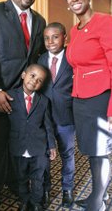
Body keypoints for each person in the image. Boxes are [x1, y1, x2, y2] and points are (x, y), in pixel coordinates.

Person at [0, 0, 46, 210]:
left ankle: (16, 184)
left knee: (20, 144)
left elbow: (37, 58)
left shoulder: (40, 20)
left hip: (24, 97)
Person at [63, 0, 112, 211]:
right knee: (92, 150)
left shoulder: (104, 23)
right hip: (81, 99)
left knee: (100, 152)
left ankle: (97, 202)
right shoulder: (75, 29)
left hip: (100, 98)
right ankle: (99, 193)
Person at [0, 64, 56, 211]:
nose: (35, 81)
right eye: (32, 75)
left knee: (38, 178)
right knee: (21, 177)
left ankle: (36, 203)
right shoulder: (9, 95)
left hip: (39, 147)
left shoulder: (44, 101)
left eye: (40, 80)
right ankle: (24, 200)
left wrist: (52, 145)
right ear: (23, 75)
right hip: (18, 145)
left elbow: (48, 125)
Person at [37, 22, 75, 208]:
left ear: (64, 38)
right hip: (44, 119)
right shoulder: (40, 60)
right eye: (46, 38)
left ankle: (67, 189)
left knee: (67, 154)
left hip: (66, 117)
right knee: (44, 157)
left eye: (55, 37)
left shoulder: (72, 58)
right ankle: (45, 190)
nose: (50, 41)